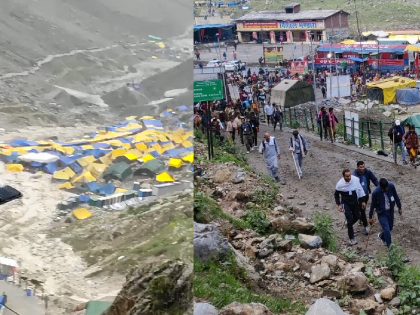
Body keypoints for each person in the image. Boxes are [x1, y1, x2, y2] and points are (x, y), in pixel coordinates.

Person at [334, 169, 366, 245]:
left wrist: (363, 201)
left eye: (349, 176)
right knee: (349, 218)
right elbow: (336, 194)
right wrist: (338, 204)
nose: (349, 177)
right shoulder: (340, 184)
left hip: (355, 201)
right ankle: (351, 238)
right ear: (343, 176)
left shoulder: (355, 180)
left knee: (357, 216)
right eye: (347, 176)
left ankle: (349, 225)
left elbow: (359, 189)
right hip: (346, 203)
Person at [369, 178, 402, 247]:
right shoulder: (375, 192)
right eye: (384, 188)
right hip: (382, 213)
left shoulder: (391, 186)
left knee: (390, 227)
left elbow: (396, 196)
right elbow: (372, 205)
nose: (386, 188)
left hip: (390, 211)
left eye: (387, 187)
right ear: (380, 186)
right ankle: (390, 247)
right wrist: (370, 217)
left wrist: (399, 207)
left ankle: (381, 236)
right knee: (386, 229)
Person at [352, 161, 379, 234]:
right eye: (361, 167)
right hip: (358, 195)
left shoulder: (368, 172)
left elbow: (374, 179)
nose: (362, 168)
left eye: (363, 166)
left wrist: (379, 187)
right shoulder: (354, 175)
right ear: (357, 167)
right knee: (362, 210)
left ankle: (361, 218)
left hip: (365, 194)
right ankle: (366, 226)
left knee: (362, 209)